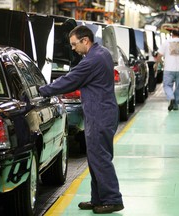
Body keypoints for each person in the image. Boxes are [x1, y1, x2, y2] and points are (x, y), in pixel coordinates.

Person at [38, 25, 124, 214]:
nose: (73, 48)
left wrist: (41, 90)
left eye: (74, 44)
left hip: (99, 114)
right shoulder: (103, 53)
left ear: (85, 40)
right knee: (95, 158)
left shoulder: (92, 60)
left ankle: (112, 199)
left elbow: (70, 79)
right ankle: (98, 198)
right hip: (103, 112)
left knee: (100, 158)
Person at [156, 29, 179, 111]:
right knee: (178, 88)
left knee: (167, 85)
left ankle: (171, 97)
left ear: (171, 35)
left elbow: (159, 55)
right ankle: (176, 105)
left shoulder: (166, 43)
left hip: (168, 69)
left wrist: (158, 64)